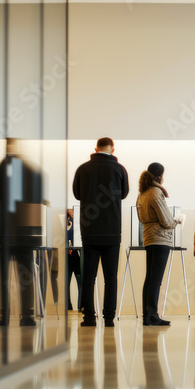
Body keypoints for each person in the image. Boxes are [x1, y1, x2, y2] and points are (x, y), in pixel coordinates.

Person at [72, 137, 130, 327]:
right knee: (110, 277)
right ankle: (109, 318)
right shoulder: (120, 169)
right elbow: (124, 194)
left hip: (89, 231)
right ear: (113, 149)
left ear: (95, 149)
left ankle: (89, 317)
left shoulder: (83, 169)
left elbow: (77, 194)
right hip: (112, 231)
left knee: (88, 277)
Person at [0, 137, 46, 327]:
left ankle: (6, 315)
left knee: (5, 278)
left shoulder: (2, 167)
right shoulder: (31, 169)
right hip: (25, 233)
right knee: (26, 276)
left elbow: (0, 198)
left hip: (8, 231)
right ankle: (27, 315)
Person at [137, 163, 182, 326]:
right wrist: (176, 221)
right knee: (156, 280)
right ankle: (153, 315)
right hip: (161, 239)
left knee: (149, 279)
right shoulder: (156, 192)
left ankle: (147, 316)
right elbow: (166, 219)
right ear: (160, 176)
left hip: (149, 238)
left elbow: (141, 218)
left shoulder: (142, 193)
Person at [65, 209, 83, 312]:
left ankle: (81, 305)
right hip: (66, 257)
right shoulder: (62, 227)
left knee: (80, 282)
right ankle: (68, 306)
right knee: (66, 283)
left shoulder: (75, 226)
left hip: (76, 255)